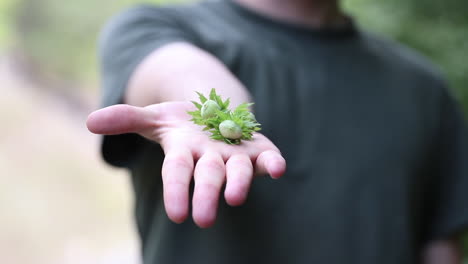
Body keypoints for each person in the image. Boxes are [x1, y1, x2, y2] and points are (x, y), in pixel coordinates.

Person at [86, 0, 468, 263]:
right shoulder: (156, 28)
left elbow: (439, 249)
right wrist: (221, 110)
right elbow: (179, 71)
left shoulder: (426, 91)